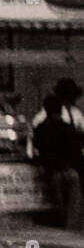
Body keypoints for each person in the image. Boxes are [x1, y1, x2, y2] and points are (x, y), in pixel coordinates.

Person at [33, 95, 84, 230]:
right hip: (69, 170)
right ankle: (71, 226)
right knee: (74, 203)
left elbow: (37, 149)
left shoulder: (41, 128)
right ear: (60, 110)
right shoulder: (67, 127)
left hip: (52, 171)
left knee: (57, 203)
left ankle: (61, 224)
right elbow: (76, 151)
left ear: (46, 110)